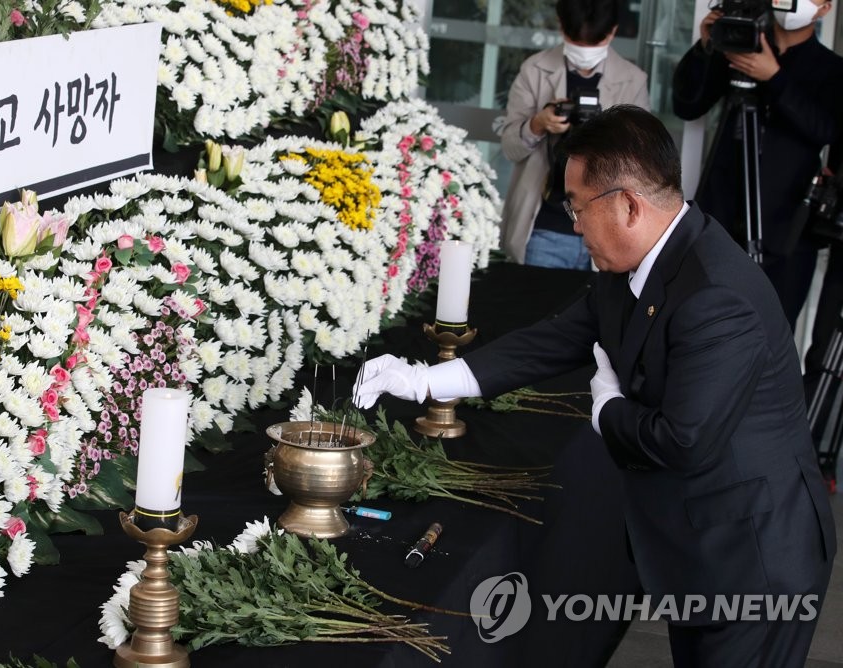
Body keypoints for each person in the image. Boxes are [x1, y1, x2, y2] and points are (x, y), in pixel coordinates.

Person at [354, 106, 835, 667]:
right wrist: (423, 379)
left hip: (754, 558)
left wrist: (607, 409)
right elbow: (554, 340)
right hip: (700, 542)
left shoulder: (715, 297)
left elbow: (683, 440)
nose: (574, 223)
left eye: (577, 206)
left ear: (627, 205)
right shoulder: (637, 261)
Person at [672, 0, 843, 328]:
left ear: (824, 8)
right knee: (697, 325)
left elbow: (825, 129)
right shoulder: (739, 46)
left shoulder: (832, 69)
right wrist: (706, 46)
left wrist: (774, 78)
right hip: (718, 215)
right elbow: (687, 105)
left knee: (768, 338)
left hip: (786, 229)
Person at [499, 0, 649, 268]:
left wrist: (606, 136)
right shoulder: (534, 70)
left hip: (608, 231)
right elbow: (510, 148)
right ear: (561, 26)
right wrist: (537, 124)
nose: (585, 50)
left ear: (612, 31)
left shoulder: (633, 80)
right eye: (576, 40)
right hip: (546, 226)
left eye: (594, 42)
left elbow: (641, 164)